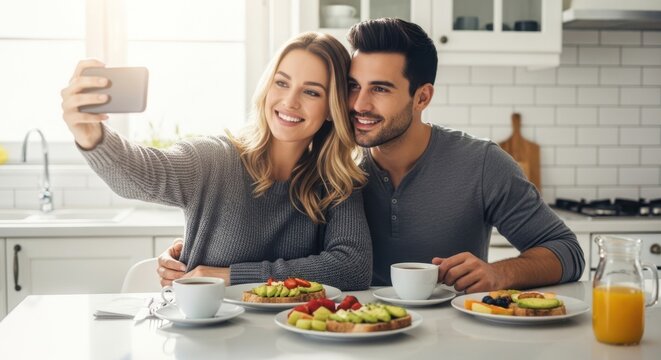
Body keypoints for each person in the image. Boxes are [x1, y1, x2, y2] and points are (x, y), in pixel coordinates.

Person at [159, 18, 585, 294]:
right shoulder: (329, 168)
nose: (358, 104)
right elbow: (284, 251)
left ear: (423, 97)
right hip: (341, 335)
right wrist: (196, 253)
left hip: (453, 340)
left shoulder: (481, 164)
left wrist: (502, 274)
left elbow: (567, 251)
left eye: (379, 89)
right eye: (351, 86)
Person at [60, 32, 373, 290]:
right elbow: (140, 174)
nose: (289, 101)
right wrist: (90, 135)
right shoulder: (215, 159)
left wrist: (229, 276)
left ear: (332, 108)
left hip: (293, 342)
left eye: (312, 92)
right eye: (281, 83)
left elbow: (351, 268)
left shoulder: (338, 183)